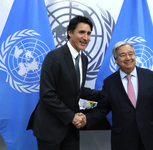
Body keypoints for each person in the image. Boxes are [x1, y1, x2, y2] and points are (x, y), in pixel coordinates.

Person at [27, 15, 100, 150]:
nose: (86, 38)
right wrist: (71, 116)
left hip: (71, 130)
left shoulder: (83, 59)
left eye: (89, 33)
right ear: (70, 33)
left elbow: (76, 89)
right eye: (81, 32)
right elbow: (47, 94)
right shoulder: (54, 57)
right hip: (50, 129)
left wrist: (107, 94)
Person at [85, 41, 153, 150]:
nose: (128, 58)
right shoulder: (109, 83)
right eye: (122, 55)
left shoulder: (149, 76)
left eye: (131, 54)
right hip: (123, 141)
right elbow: (102, 109)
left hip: (149, 138)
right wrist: (85, 119)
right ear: (115, 60)